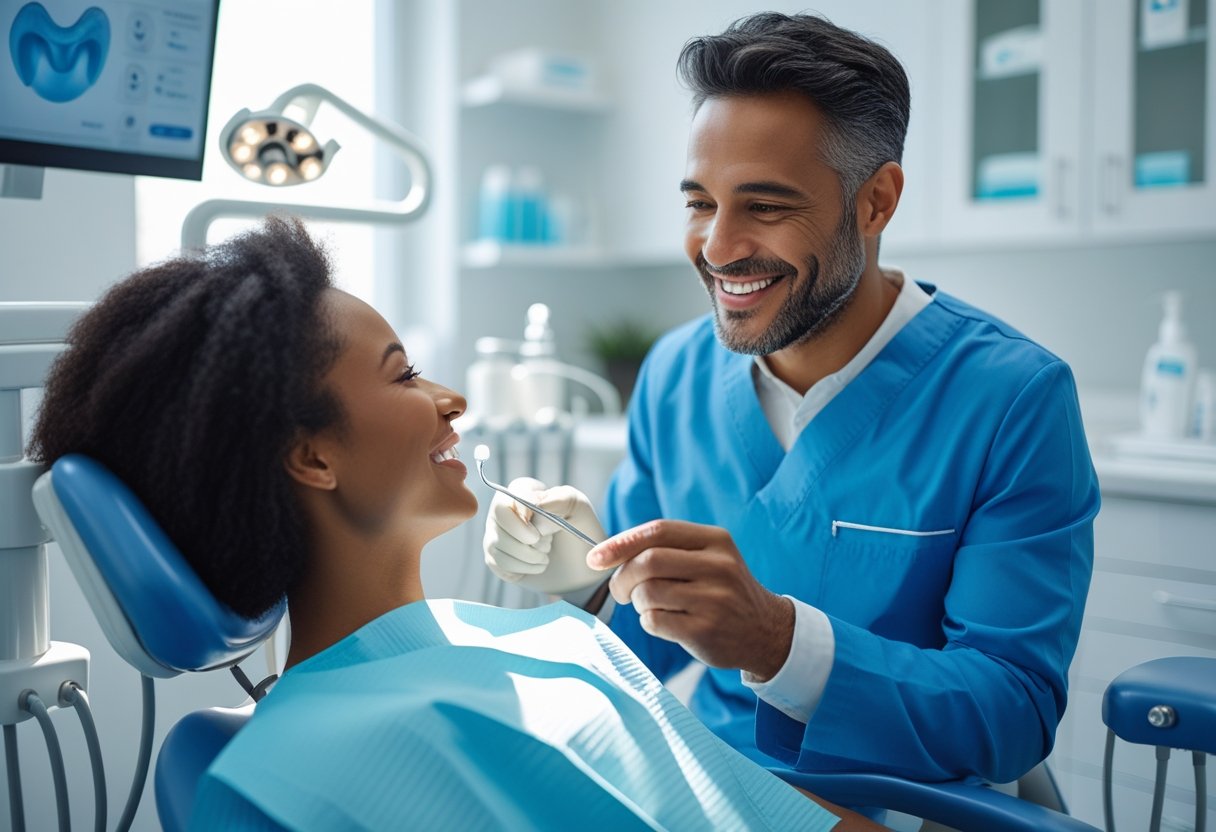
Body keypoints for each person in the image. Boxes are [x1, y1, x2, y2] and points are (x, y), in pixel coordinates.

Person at [28, 217, 881, 831]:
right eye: (405, 377)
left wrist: (591, 597)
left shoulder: (555, 638)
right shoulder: (285, 776)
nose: (454, 401)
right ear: (312, 458)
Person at [483, 11, 1100, 787]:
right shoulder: (674, 373)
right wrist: (587, 581)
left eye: (765, 207)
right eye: (700, 202)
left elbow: (1013, 710)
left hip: (902, 800)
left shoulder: (1011, 399)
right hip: (715, 781)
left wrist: (780, 642)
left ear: (875, 202)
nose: (716, 247)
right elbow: (646, 647)